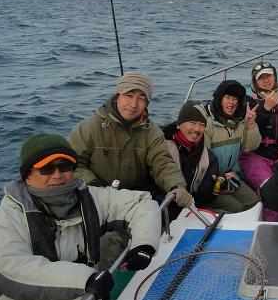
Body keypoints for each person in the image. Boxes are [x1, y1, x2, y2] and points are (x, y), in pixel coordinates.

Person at [0, 134, 161, 300]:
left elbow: (140, 204)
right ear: (27, 177)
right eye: (47, 169)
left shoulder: (92, 199)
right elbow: (12, 268)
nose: (57, 174)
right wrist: (84, 280)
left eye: (64, 166)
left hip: (88, 297)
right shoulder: (6, 218)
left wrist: (144, 245)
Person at [70, 72, 192, 207]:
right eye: (129, 95)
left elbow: (162, 163)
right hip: (95, 198)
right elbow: (73, 165)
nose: (134, 104)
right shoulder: (87, 128)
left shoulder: (152, 132)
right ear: (117, 97)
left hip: (136, 198)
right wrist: (96, 188)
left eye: (141, 98)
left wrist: (176, 186)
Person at [239, 62, 278, 221]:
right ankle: (270, 226)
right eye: (261, 78)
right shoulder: (248, 101)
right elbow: (248, 131)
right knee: (271, 191)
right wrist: (265, 108)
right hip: (255, 155)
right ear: (255, 82)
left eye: (269, 75)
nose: (266, 80)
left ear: (275, 76)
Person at [200, 80, 262, 213]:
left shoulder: (239, 122)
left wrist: (250, 125)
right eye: (227, 97)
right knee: (236, 208)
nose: (231, 102)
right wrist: (217, 181)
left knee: (255, 203)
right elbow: (201, 161)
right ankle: (202, 209)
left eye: (235, 99)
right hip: (210, 183)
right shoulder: (208, 124)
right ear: (219, 99)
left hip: (231, 178)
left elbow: (249, 147)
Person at [162, 100, 219, 211]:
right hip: (164, 208)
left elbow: (206, 198)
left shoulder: (209, 158)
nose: (197, 129)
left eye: (202, 125)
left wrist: (215, 186)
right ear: (179, 124)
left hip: (192, 209)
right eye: (192, 123)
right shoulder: (162, 148)